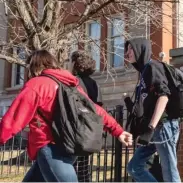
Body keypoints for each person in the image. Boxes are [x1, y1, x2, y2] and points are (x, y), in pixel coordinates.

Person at [0, 50, 132, 182]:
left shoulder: (37, 84)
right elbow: (95, 110)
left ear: (33, 66)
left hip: (50, 149)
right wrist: (118, 131)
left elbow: (15, 118)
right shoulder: (70, 85)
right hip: (69, 146)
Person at [125, 38, 181, 182]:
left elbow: (164, 96)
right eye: (127, 49)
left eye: (131, 49)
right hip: (153, 129)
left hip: (164, 126)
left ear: (140, 50)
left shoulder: (153, 67)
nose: (127, 53)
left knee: (169, 169)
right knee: (134, 167)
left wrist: (150, 128)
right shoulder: (143, 72)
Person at [69, 50, 103, 182]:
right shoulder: (94, 84)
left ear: (75, 64)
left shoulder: (72, 82)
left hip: (73, 130)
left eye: (71, 62)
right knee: (83, 168)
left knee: (70, 166)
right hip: (89, 130)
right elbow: (99, 108)